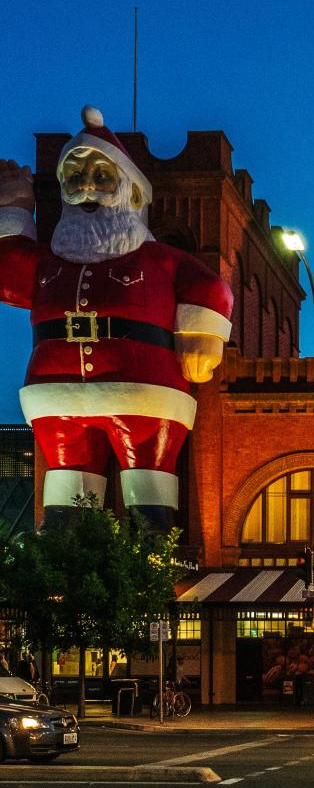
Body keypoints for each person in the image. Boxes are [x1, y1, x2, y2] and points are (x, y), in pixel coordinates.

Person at [0, 107, 234, 531]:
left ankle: (151, 562)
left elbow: (209, 286)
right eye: (75, 178)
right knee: (67, 503)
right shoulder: (51, 260)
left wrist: (204, 333)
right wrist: (14, 208)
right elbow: (9, 279)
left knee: (149, 496)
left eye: (101, 176)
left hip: (143, 389)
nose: (87, 187)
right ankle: (64, 567)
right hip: (57, 393)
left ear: (132, 191)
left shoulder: (159, 259)